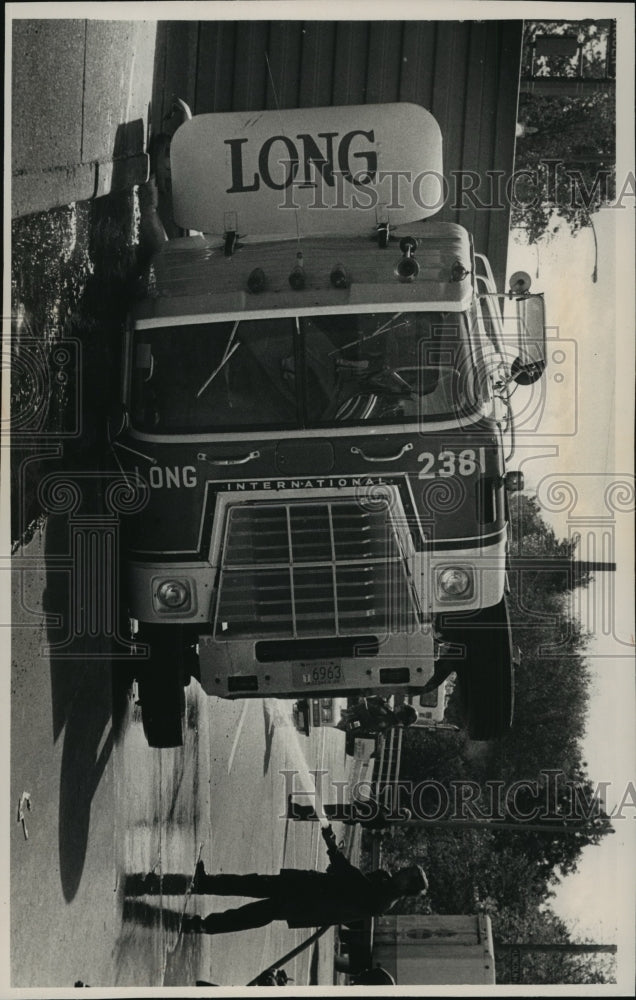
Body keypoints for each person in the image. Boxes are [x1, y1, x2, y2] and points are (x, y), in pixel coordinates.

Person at [172, 826, 428, 935]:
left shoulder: (383, 901)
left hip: (309, 904)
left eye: (406, 874)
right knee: (255, 883)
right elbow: (349, 877)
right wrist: (334, 861)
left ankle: (205, 926)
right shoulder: (384, 881)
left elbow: (353, 880)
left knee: (256, 913)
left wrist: (331, 847)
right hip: (309, 886)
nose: (401, 870)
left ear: (408, 886)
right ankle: (206, 884)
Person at [336, 695, 418, 736]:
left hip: (347, 720)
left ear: (402, 714)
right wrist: (382, 701)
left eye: (402, 708)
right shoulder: (390, 714)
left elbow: (368, 723)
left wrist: (364, 704)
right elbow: (378, 703)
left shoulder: (386, 721)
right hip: (348, 716)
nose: (399, 706)